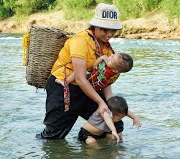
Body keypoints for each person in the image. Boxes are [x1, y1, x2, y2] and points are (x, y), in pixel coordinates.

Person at [36, 3, 136, 139]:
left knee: (114, 122)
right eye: (105, 30)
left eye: (113, 30)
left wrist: (110, 103)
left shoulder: (107, 48)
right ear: (95, 26)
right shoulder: (80, 41)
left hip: (88, 90)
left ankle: (102, 155)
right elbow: (80, 78)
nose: (109, 34)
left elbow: (105, 79)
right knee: (54, 137)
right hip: (64, 88)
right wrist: (100, 103)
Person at [55, 52, 133, 112]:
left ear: (115, 69)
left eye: (111, 61)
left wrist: (102, 58)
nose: (108, 58)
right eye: (111, 56)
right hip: (97, 86)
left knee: (80, 69)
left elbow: (93, 66)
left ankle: (66, 82)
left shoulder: (106, 69)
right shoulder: (116, 73)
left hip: (90, 80)